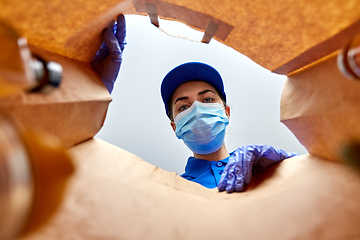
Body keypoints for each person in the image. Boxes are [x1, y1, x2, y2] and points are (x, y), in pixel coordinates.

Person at [161, 62, 298, 193]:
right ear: (175, 127)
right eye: (184, 107)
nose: (197, 110)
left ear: (226, 112)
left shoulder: (259, 164)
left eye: (208, 99)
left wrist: (286, 164)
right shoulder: (176, 191)